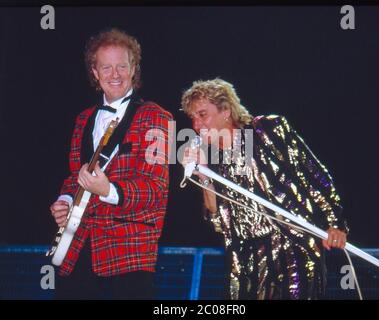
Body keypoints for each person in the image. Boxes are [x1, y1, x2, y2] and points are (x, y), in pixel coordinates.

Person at [181, 78, 348, 299]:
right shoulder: (214, 160)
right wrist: (203, 174)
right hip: (246, 259)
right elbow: (218, 220)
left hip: (292, 247)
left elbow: (314, 175)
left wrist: (335, 223)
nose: (196, 125)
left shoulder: (267, 130)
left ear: (226, 111)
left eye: (202, 115)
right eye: (193, 118)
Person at [49, 28, 172, 300]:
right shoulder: (83, 119)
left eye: (122, 66)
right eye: (106, 67)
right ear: (95, 72)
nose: (114, 75)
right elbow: (74, 176)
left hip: (128, 253)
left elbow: (156, 189)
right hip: (78, 248)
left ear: (134, 69)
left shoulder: (157, 117)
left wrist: (108, 190)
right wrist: (66, 199)